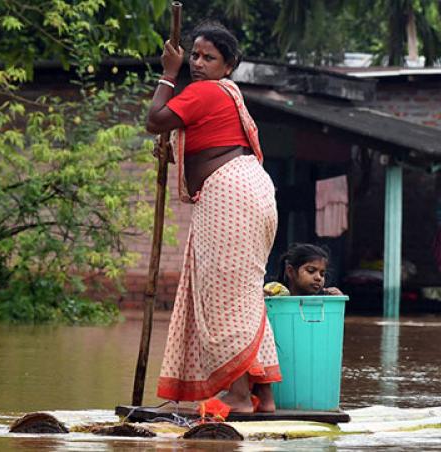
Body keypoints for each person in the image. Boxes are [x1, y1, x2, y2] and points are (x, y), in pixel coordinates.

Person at [146, 22, 279, 416]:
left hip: (229, 194)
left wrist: (169, 73)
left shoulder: (205, 91)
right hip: (252, 190)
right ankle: (265, 400)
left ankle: (238, 397)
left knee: (223, 296)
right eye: (195, 56)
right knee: (245, 295)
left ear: (229, 65)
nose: (199, 64)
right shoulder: (227, 94)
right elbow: (191, 133)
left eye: (209, 58)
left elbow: (154, 119)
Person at [265, 243, 343, 296]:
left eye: (322, 274)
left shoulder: (322, 300)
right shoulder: (274, 293)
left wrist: (337, 301)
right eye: (311, 271)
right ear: (290, 271)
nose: (318, 278)